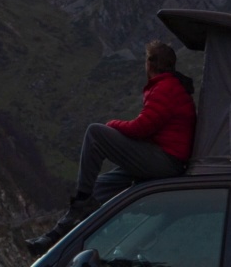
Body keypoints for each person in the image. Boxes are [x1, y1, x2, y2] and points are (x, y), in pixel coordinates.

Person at [26, 40, 196, 255]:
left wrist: (112, 124)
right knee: (98, 187)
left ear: (150, 64)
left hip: (166, 162)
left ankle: (81, 204)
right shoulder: (169, 86)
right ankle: (55, 239)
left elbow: (141, 128)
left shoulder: (166, 88)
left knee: (95, 133)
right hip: (161, 156)